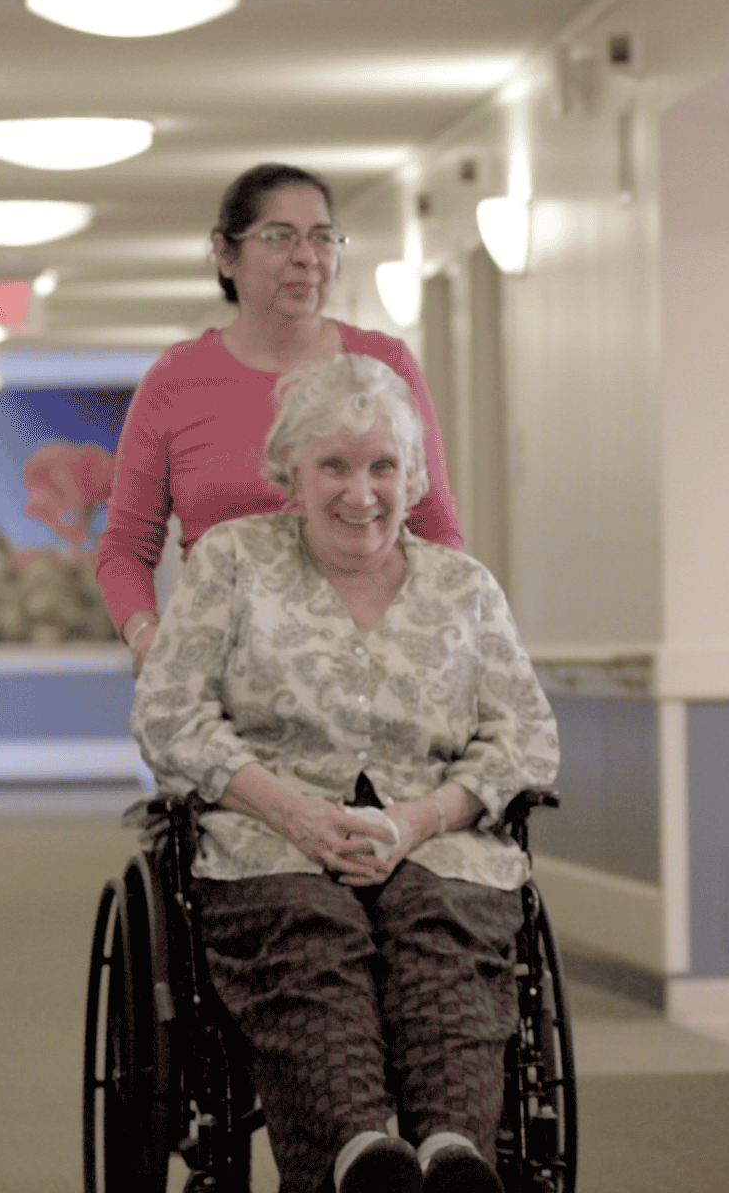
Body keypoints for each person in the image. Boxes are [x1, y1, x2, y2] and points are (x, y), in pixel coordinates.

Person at [130, 353, 558, 1193]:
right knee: (309, 935)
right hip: (267, 842)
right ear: (290, 471)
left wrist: (424, 818)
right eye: (334, 464)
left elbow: (527, 737)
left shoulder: (463, 588)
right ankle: (358, 1159)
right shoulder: (232, 562)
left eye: (383, 466)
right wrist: (294, 813)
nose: (361, 492)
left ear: (414, 476)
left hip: (441, 844)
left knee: (445, 932)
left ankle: (452, 1157)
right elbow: (167, 714)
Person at [97, 163, 463, 675]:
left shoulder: (383, 365)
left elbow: (435, 526)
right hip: (225, 663)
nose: (307, 258)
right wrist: (145, 634)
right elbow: (126, 545)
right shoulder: (176, 379)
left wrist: (427, 634)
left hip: (367, 662)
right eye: (279, 237)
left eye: (323, 237)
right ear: (226, 254)